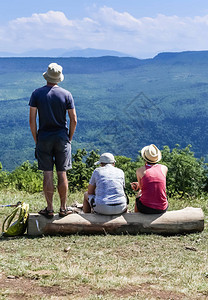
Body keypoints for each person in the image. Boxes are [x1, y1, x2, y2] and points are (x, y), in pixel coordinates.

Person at [29, 62, 77, 218]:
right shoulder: (66, 94)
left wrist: (37, 139)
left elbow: (32, 120)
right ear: (59, 78)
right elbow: (73, 119)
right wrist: (69, 138)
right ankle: (63, 208)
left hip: (43, 137)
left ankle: (49, 209)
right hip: (62, 137)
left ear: (47, 77)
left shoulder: (36, 94)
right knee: (62, 173)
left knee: (47, 174)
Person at [131, 144, 168, 214]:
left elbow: (141, 189)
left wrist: (137, 186)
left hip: (146, 208)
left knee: (139, 194)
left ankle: (136, 218)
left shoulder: (140, 171)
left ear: (144, 158)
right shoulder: (164, 168)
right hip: (162, 208)